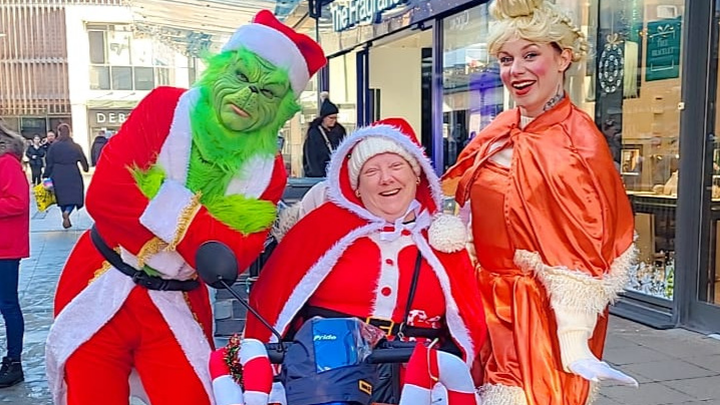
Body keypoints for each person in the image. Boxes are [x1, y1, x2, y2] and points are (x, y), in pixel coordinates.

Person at [44, 10, 326, 405]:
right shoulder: (165, 107)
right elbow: (108, 196)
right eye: (242, 77)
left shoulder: (269, 172)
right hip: (101, 280)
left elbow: (230, 259)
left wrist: (159, 198)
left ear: (282, 109)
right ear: (220, 68)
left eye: (268, 93)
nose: (248, 96)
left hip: (176, 300)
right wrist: (204, 226)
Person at [442, 1, 638, 404]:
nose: (516, 70)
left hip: (538, 312)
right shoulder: (502, 127)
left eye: (531, 55)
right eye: (506, 59)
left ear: (563, 58)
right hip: (483, 301)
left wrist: (575, 337)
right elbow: (469, 203)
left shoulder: (578, 140)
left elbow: (588, 241)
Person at [213, 118, 487, 405]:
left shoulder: (443, 238)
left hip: (419, 382)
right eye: (371, 171)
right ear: (356, 186)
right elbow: (273, 303)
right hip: (327, 377)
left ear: (417, 174)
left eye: (396, 166)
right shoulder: (321, 229)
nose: (386, 178)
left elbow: (468, 322)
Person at [0, 121, 29, 388]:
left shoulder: (7, 162)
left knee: (7, 304)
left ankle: (14, 362)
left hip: (5, 248)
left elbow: (18, 202)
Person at [43, 123, 89, 229]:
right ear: (69, 133)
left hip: (57, 173)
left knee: (61, 196)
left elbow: (49, 162)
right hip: (72, 172)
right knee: (74, 195)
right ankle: (68, 211)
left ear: (59, 132)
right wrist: (85, 168)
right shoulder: (75, 146)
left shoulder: (54, 146)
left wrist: (46, 174)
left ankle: (64, 212)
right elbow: (83, 159)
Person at [302, 92, 347, 177]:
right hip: (318, 173)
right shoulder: (314, 133)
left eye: (335, 118)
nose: (334, 120)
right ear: (323, 117)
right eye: (331, 118)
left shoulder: (340, 131)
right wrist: (316, 174)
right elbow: (311, 156)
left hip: (334, 172)